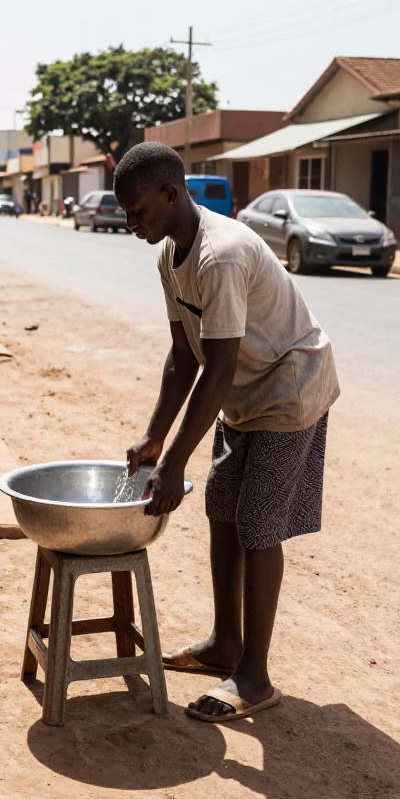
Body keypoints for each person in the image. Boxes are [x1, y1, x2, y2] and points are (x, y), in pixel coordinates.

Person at [114, 143, 340, 724]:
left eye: (138, 210)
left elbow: (216, 369)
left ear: (171, 193)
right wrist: (154, 439)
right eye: (126, 213)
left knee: (260, 525)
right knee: (224, 509)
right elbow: (182, 358)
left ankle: (256, 678)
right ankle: (225, 644)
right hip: (244, 393)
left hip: (290, 388)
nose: (131, 223)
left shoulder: (223, 256)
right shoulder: (170, 256)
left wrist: (174, 464)